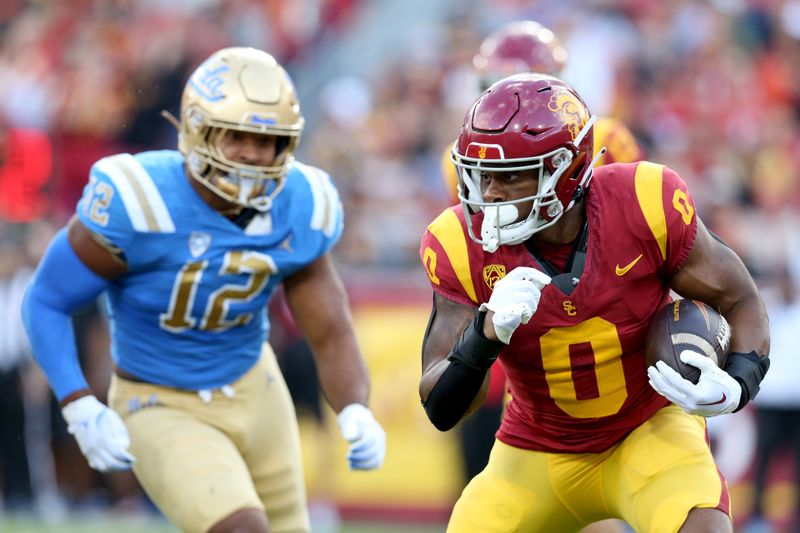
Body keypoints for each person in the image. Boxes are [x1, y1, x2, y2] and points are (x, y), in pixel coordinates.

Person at [21, 47, 386, 533]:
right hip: (161, 399)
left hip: (258, 390)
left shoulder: (300, 201)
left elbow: (331, 326)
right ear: (198, 129)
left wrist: (356, 405)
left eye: (268, 140)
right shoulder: (139, 199)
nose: (254, 154)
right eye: (237, 136)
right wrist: (78, 402)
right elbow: (46, 300)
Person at [419, 73, 770, 531]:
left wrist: (739, 383)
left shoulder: (644, 200)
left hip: (648, 430)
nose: (489, 194)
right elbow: (441, 407)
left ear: (565, 170)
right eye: (482, 176)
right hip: (535, 449)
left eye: (509, 177)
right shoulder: (457, 242)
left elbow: (739, 297)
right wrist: (484, 336)